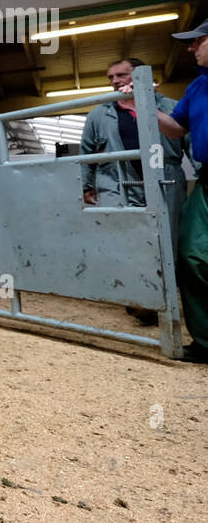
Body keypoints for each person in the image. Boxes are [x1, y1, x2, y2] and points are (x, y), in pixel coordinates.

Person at [80, 57, 187, 326]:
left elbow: (192, 145)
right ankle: (139, 299)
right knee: (126, 240)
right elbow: (86, 152)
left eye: (121, 75)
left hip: (165, 178)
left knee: (166, 240)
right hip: (114, 180)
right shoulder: (99, 113)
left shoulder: (171, 107)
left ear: (140, 75)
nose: (115, 81)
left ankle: (164, 299)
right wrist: (86, 185)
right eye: (111, 77)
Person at [147, 19, 208, 360]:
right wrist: (145, 103)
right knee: (192, 255)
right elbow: (175, 129)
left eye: (198, 41)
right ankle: (205, 342)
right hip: (206, 179)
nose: (190, 47)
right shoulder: (198, 87)